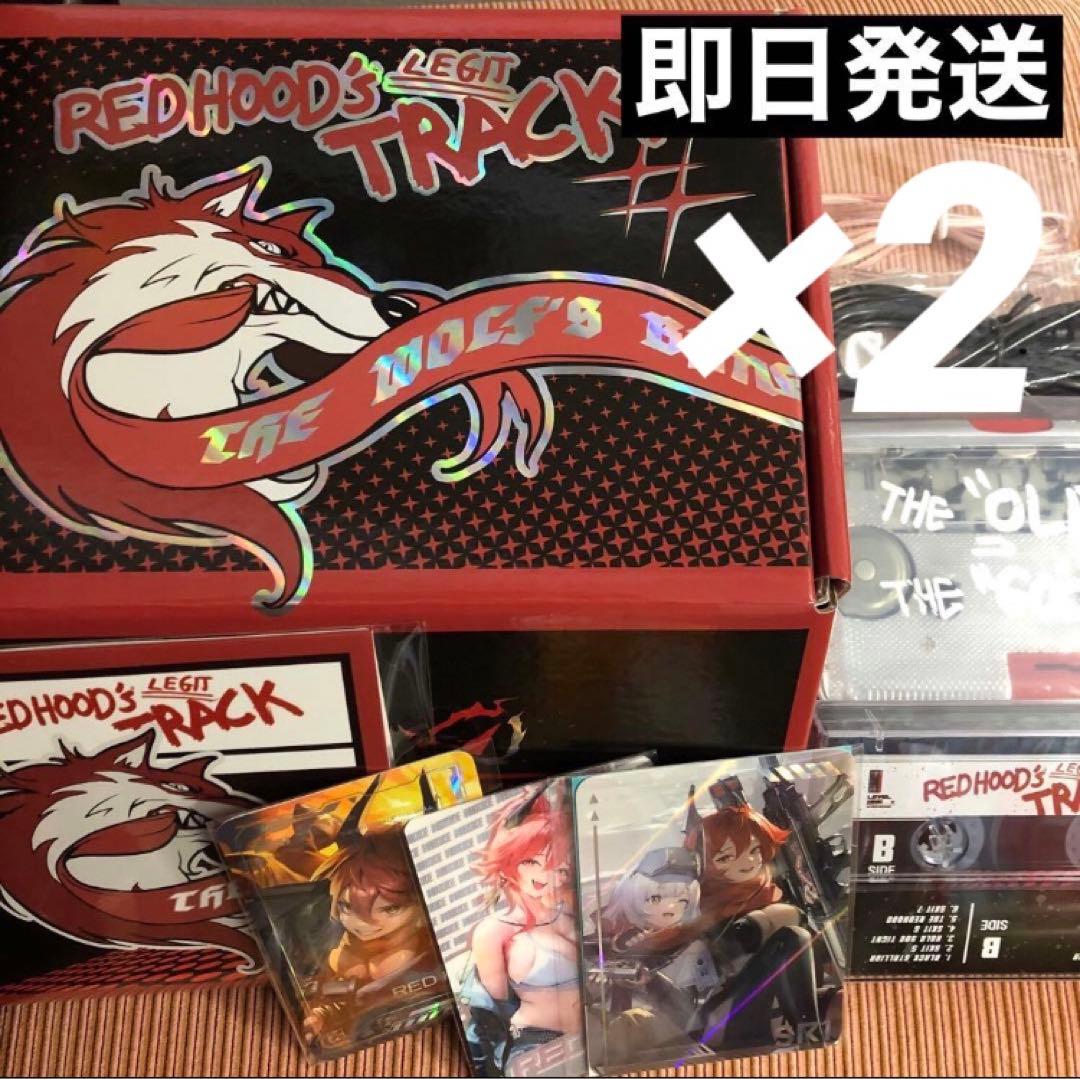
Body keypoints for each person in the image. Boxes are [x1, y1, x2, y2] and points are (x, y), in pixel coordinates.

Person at [462, 782, 582, 1076]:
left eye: (554, 863)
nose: (544, 874)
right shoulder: (494, 931)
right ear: (508, 863)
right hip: (538, 1046)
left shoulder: (568, 909)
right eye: (531, 861)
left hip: (592, 1034)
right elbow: (492, 1012)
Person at [684, 800, 823, 1051]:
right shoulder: (695, 905)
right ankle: (812, 1041)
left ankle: (812, 1038)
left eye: (753, 850)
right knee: (792, 938)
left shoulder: (770, 893)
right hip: (726, 1017)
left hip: (776, 1013)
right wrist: (764, 922)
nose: (747, 861)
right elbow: (732, 947)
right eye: (727, 856)